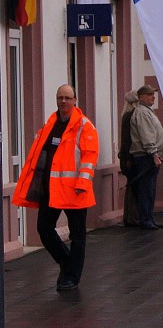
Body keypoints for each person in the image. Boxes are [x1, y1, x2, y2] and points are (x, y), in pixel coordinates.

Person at [13, 84, 99, 291]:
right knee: (44, 229)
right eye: (60, 97)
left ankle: (72, 276)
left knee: (77, 235)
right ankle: (66, 262)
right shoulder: (50, 124)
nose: (63, 101)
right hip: (51, 189)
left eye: (68, 98)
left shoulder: (84, 126)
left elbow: (89, 158)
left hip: (75, 190)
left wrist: (82, 183)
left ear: (75, 100)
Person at [128, 84, 163, 230]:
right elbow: (147, 136)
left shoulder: (147, 111)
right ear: (141, 97)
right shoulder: (142, 113)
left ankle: (148, 218)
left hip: (149, 155)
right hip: (146, 156)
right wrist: (154, 154)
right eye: (149, 94)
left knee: (149, 189)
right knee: (146, 189)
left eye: (153, 94)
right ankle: (145, 219)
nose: (153, 97)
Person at [118, 89, 140, 227]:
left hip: (126, 156)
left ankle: (129, 216)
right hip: (130, 157)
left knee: (132, 186)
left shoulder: (126, 115)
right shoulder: (131, 116)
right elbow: (127, 139)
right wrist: (128, 158)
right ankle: (132, 217)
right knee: (134, 187)